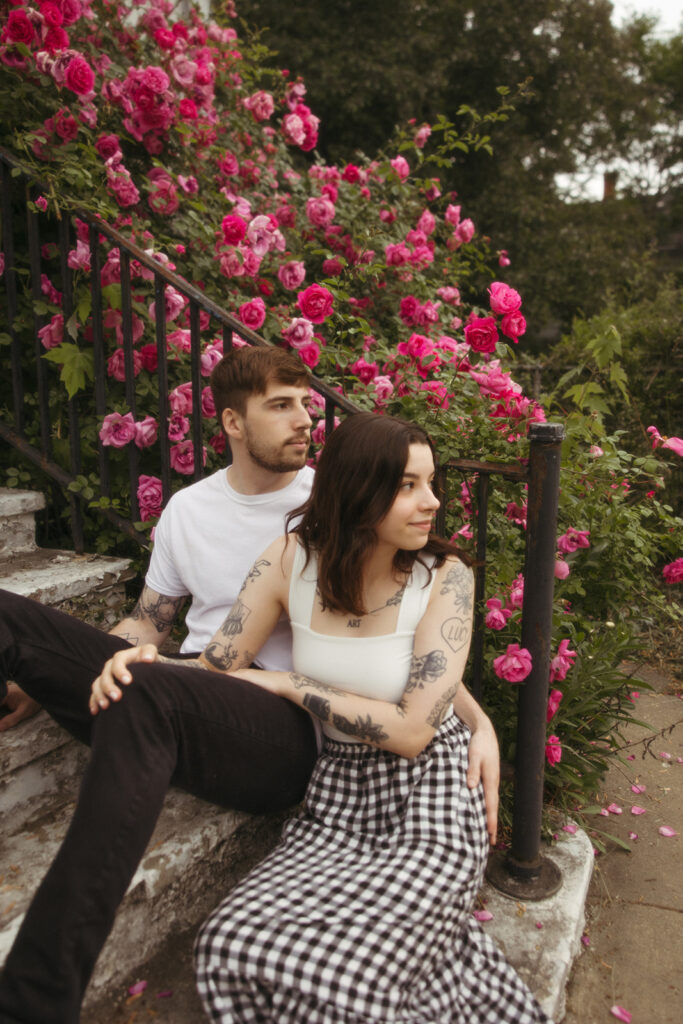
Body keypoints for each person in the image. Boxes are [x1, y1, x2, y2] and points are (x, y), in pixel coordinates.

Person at [0, 349, 499, 1024]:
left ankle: (31, 1005)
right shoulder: (192, 513)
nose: (305, 420)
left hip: (277, 723)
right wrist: (80, 664)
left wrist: (475, 720)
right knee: (36, 632)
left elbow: (402, 644)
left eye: (306, 402)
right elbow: (154, 624)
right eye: (282, 404)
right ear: (232, 422)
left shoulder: (344, 495)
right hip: (201, 681)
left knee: (147, 695)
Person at [101, 413, 546, 1024]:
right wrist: (141, 669)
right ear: (358, 491)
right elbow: (216, 666)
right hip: (338, 798)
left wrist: (289, 681)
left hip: (433, 791)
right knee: (227, 942)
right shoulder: (290, 559)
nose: (432, 503)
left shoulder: (446, 577)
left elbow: (415, 730)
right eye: (409, 486)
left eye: (432, 483)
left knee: (358, 972)